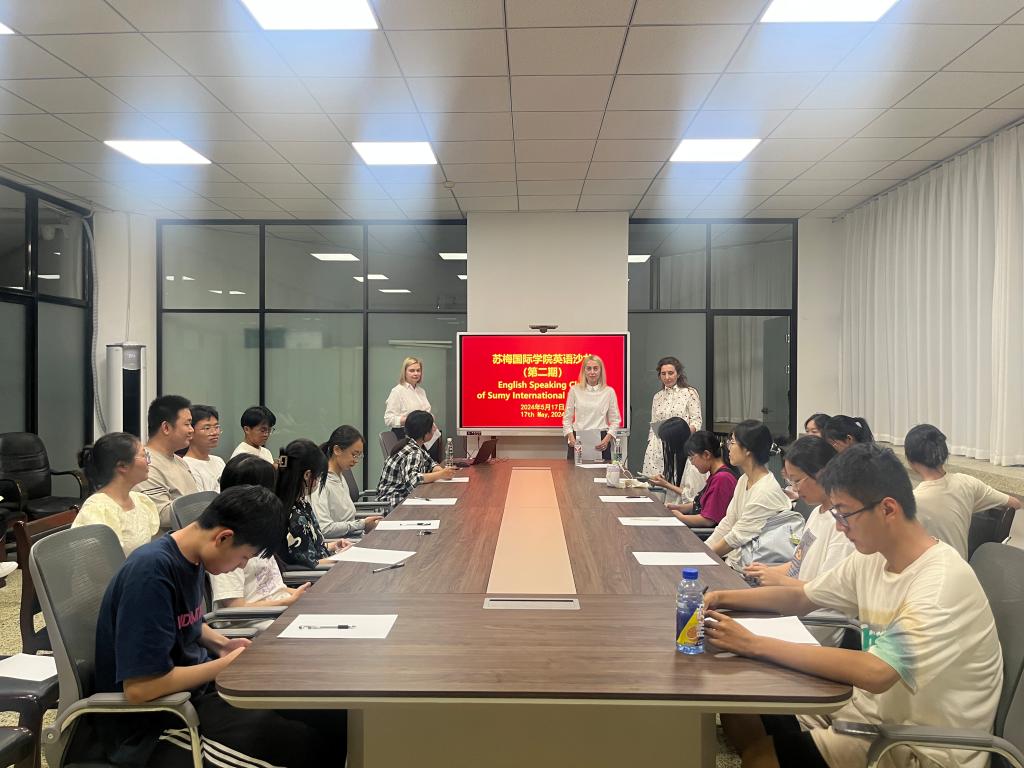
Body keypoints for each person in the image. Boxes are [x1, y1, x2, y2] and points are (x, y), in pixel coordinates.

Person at [705, 443, 1002, 768]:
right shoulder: (873, 557)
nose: (839, 526)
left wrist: (754, 644)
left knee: (761, 758)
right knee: (739, 706)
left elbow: (876, 672)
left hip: (920, 747)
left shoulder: (942, 582)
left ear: (888, 509)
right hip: (870, 715)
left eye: (844, 514)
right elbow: (801, 597)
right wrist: (720, 597)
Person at [77, 484, 345, 768]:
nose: (241, 567)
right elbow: (140, 689)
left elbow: (183, 619)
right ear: (223, 537)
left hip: (196, 697)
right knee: (302, 749)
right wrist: (225, 664)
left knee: (330, 716)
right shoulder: (151, 574)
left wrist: (222, 644)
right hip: (156, 727)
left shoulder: (189, 556)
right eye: (244, 557)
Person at [743, 436, 855, 645]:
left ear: (822, 474)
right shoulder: (817, 513)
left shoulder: (842, 527)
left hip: (816, 625)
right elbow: (798, 564)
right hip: (794, 611)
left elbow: (827, 593)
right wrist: (764, 572)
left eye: (797, 480)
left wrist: (779, 581)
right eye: (790, 481)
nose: (794, 489)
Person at [209, 454, 315, 610]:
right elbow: (234, 608)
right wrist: (288, 602)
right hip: (259, 619)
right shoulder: (229, 541)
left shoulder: (258, 528)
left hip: (280, 609)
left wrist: (304, 595)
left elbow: (276, 589)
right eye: (271, 488)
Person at [906, 423, 1021, 559]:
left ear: (911, 462)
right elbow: (1015, 503)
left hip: (929, 571)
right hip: (962, 568)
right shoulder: (967, 483)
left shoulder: (911, 503)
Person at [706, 420, 800, 571]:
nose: (728, 447)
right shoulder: (744, 479)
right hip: (736, 562)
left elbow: (737, 537)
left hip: (751, 570)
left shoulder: (765, 490)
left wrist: (704, 556)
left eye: (733, 442)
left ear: (747, 450)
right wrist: (704, 549)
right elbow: (729, 523)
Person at [74, 433, 159, 555]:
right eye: (144, 455)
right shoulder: (98, 509)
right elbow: (99, 561)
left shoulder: (140, 500)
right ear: (122, 466)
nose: (148, 462)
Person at [277, 439, 350, 569]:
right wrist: (340, 558)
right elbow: (310, 564)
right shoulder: (294, 517)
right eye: (319, 476)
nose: (319, 481)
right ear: (307, 475)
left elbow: (308, 548)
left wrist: (333, 545)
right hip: (312, 577)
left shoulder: (301, 504)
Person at [134, 395, 198, 531]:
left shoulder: (180, 462)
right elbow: (160, 515)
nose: (192, 430)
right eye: (187, 424)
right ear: (166, 427)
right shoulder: (145, 464)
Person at [312, 425, 384, 539]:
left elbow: (347, 520)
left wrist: (363, 525)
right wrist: (361, 524)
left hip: (351, 537)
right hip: (338, 542)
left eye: (359, 456)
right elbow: (324, 529)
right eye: (354, 454)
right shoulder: (321, 483)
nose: (356, 460)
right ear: (337, 450)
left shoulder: (340, 476)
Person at [377, 410, 456, 509]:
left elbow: (430, 463)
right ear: (425, 433)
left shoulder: (413, 444)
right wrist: (441, 474)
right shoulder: (413, 452)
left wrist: (442, 471)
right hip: (392, 504)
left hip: (401, 499)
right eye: (432, 426)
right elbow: (413, 481)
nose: (434, 429)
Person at [659, 430, 737, 528]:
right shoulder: (715, 475)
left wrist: (680, 517)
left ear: (706, 455)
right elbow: (700, 505)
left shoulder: (722, 478)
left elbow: (708, 520)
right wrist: (677, 507)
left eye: (692, 458)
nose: (692, 463)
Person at [641, 356, 702, 479]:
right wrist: (651, 445)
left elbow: (696, 421)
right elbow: (653, 424)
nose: (667, 377)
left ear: (678, 374)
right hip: (657, 446)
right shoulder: (657, 397)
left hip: (680, 445)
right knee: (655, 483)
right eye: (663, 374)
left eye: (670, 373)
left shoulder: (689, 393)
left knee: (676, 480)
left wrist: (682, 434)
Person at [562, 354, 622, 461]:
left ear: (600, 371)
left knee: (601, 471)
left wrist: (607, 439)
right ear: (584, 371)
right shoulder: (574, 390)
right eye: (589, 368)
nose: (592, 372)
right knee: (574, 471)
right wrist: (571, 438)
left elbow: (615, 420)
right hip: (577, 439)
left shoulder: (609, 392)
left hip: (601, 440)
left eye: (595, 368)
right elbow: (567, 419)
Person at [384, 357, 442, 462]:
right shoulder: (397, 391)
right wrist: (412, 419)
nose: (416, 373)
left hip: (424, 437)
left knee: (435, 462)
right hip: (405, 437)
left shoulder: (421, 391)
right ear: (404, 372)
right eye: (412, 370)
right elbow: (388, 419)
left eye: (418, 370)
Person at [648, 418, 706, 507]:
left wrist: (666, 484)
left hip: (683, 511)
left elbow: (693, 498)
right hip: (673, 507)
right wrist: (663, 481)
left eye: (666, 442)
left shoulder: (694, 464)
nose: (665, 445)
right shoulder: (679, 458)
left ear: (675, 442)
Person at [183, 404, 225, 492]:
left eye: (216, 427)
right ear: (191, 431)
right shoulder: (186, 466)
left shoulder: (219, 461)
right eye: (207, 428)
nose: (214, 432)